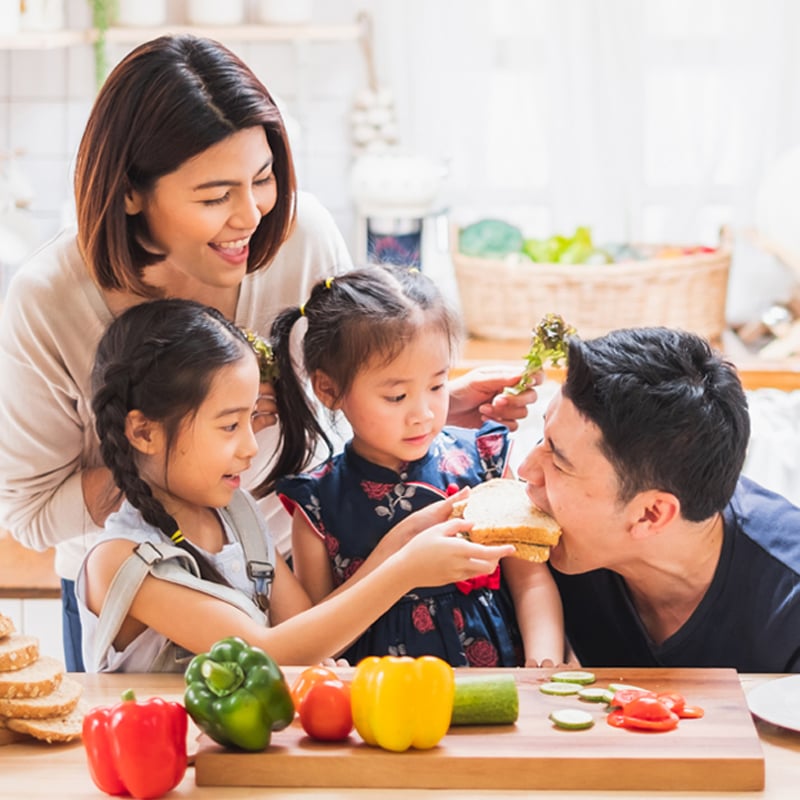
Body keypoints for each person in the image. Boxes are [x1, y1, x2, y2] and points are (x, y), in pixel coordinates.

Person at [0, 34, 537, 671]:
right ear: (130, 192)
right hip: (148, 586)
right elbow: (30, 515)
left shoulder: (299, 235)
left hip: (283, 575)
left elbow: (340, 392)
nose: (252, 214)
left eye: (263, 178)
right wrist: (179, 462)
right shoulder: (50, 298)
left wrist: (411, 405)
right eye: (213, 195)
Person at [76, 298, 514, 671]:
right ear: (144, 432)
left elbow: (315, 630)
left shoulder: (238, 514)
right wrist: (406, 570)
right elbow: (269, 653)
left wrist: (399, 542)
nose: (251, 447)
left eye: (252, 419)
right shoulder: (120, 561)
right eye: (229, 425)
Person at [269, 266, 564, 668]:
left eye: (437, 386)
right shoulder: (317, 505)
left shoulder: (483, 463)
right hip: (382, 698)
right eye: (396, 396)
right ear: (328, 389)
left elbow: (529, 578)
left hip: (496, 685)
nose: (422, 414)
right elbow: (321, 633)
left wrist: (544, 664)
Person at [517, 326, 800, 673]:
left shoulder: (788, 605)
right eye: (542, 438)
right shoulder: (549, 543)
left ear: (651, 514)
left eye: (558, 460)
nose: (526, 471)